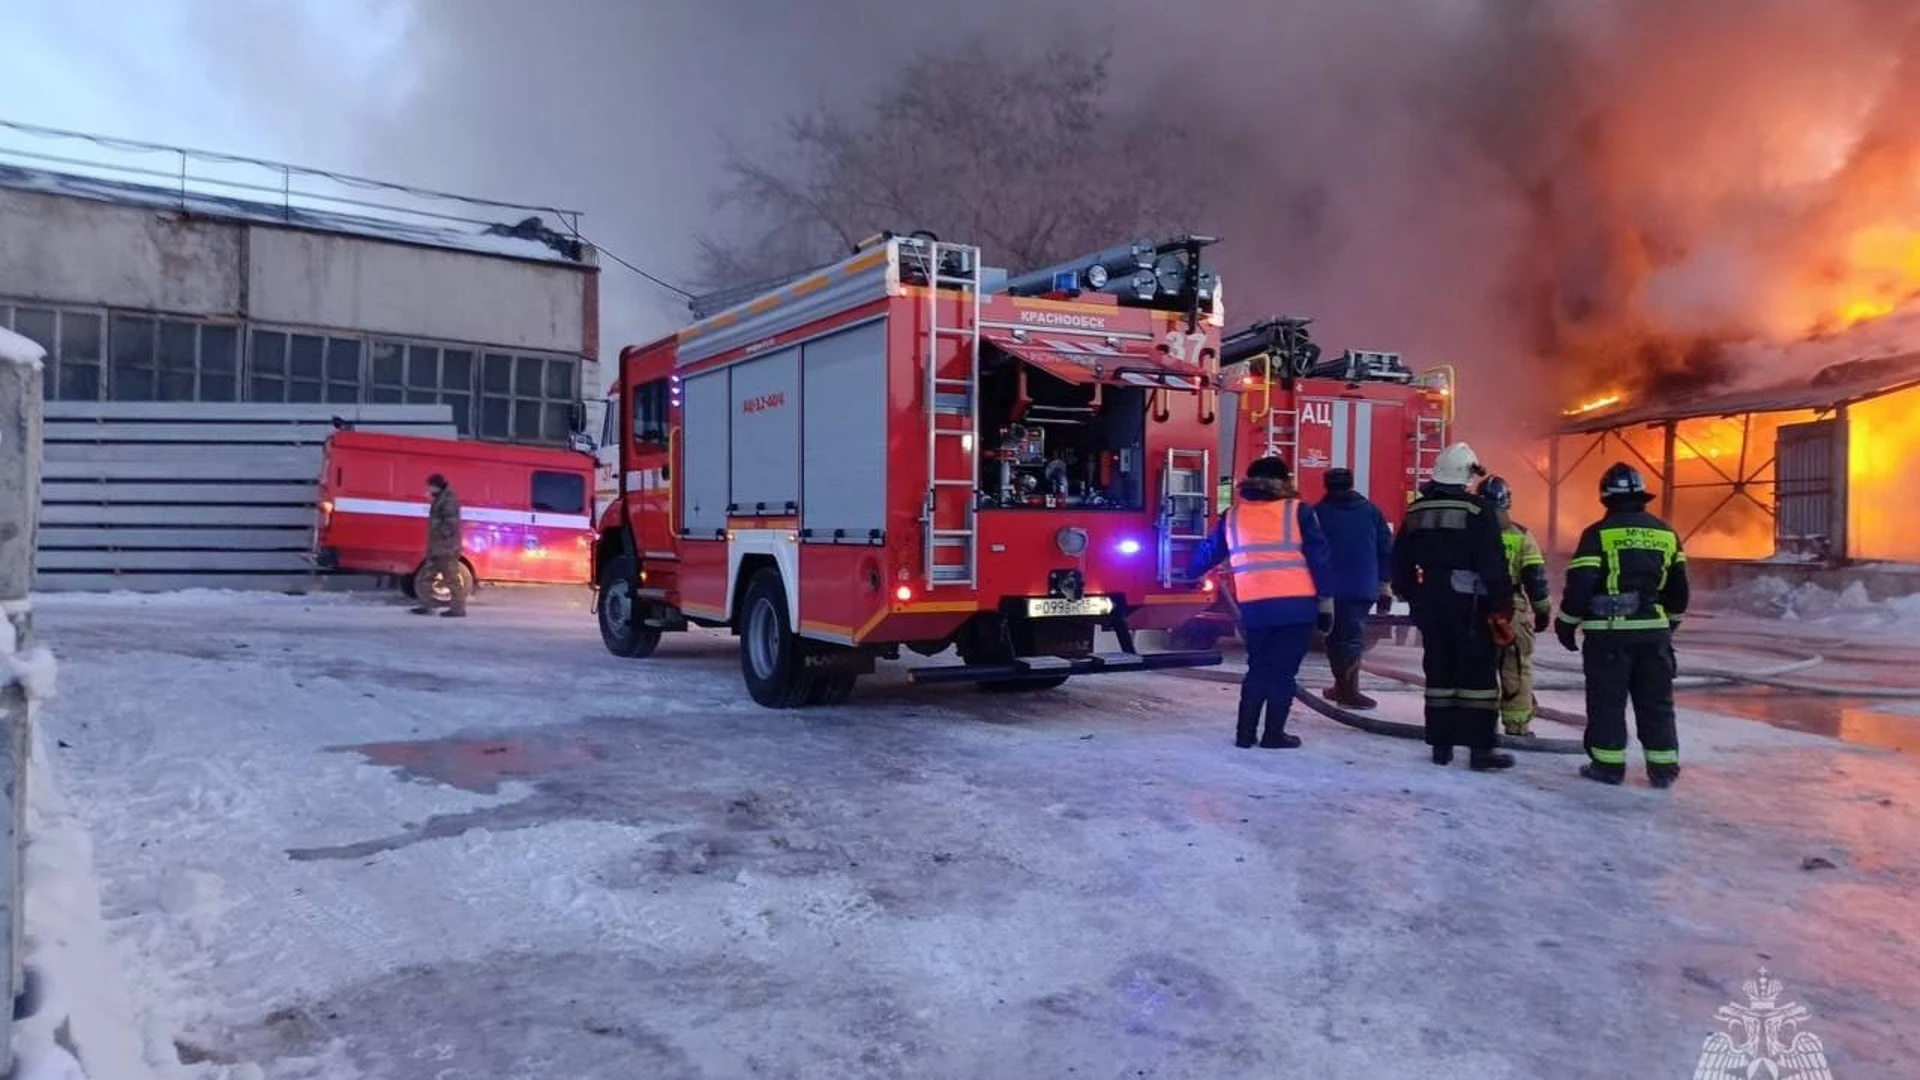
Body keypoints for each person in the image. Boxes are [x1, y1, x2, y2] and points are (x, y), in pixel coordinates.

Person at [1555, 462, 1690, 788]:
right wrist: (1667, 625)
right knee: (1656, 702)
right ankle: (1663, 769)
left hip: (1609, 637)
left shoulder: (1598, 534)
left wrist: (1566, 623)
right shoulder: (1666, 533)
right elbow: (1679, 590)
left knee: (1607, 701)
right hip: (1654, 636)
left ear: (1606, 497)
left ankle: (1608, 766)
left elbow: (1582, 583)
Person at [1188, 455, 1336, 750]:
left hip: (1255, 607)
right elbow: (1319, 559)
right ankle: (1273, 734)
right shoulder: (1298, 511)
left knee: (1257, 669)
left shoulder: (1233, 515)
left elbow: (1210, 551)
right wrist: (1326, 601)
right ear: (1284, 482)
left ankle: (1245, 735)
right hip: (1296, 607)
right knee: (1282, 673)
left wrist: (1189, 572)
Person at [1391, 442, 1516, 770]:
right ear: (1466, 474)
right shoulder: (1477, 510)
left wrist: (1414, 598)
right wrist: (1502, 603)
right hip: (1471, 606)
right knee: (1477, 678)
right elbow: (1493, 563)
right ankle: (1480, 751)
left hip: (1431, 603)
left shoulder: (1416, 511)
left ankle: (1441, 746)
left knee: (1439, 673)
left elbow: (1400, 561)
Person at [1313, 467, 1394, 709]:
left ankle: (1345, 690)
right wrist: (1385, 585)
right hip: (1362, 586)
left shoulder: (1317, 513)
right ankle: (1346, 688)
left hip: (1328, 589)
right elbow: (1385, 548)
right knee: (1350, 639)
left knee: (1334, 639)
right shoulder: (1371, 511)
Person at [1483, 475, 1553, 737]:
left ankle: (1479, 724)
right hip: (1510, 609)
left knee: (1478, 668)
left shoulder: (1470, 533)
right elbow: (1535, 577)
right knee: (1516, 665)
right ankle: (1517, 726)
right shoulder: (1521, 535)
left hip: (1475, 607)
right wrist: (1543, 609)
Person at [413, 473, 467, 618]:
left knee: (451, 579)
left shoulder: (448, 499)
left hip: (446, 548)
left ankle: (458, 609)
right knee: (424, 578)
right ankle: (426, 605)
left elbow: (450, 524)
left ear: (435, 486)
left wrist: (440, 538)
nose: (427, 489)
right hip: (437, 548)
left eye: (429, 486)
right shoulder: (440, 498)